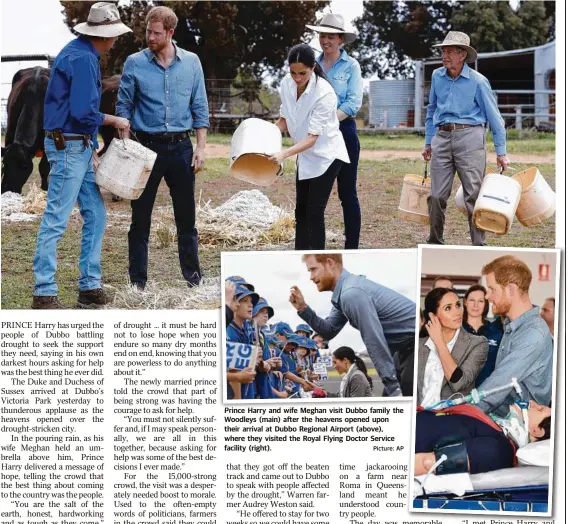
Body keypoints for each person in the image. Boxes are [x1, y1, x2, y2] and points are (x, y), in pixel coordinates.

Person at [32, 2, 132, 309]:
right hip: (68, 147)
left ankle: (90, 286)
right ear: (105, 35)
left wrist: (92, 149)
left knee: (96, 213)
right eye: (114, 35)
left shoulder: (78, 52)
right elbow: (83, 112)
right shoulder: (84, 59)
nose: (115, 41)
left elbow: (78, 112)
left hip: (78, 145)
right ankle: (44, 290)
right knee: (56, 218)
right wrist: (115, 121)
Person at [116, 6, 209, 290]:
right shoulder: (134, 63)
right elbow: (123, 106)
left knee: (186, 217)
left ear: (170, 33)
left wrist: (201, 147)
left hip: (181, 148)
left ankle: (193, 278)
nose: (150, 37)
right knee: (140, 218)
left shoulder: (192, 62)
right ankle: (138, 282)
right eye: (148, 31)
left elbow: (200, 107)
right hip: (146, 149)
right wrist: (127, 141)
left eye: (156, 33)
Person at [422, 31, 511, 246]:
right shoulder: (436, 76)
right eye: (443, 51)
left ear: (462, 55)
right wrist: (428, 141)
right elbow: (431, 108)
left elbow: (495, 118)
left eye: (450, 51)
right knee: (436, 196)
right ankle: (435, 242)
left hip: (470, 137)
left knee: (473, 195)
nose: (445, 55)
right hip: (442, 137)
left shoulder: (479, 82)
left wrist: (501, 152)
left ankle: (479, 246)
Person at [289, 253, 416, 397]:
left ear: (330, 263)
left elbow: (374, 340)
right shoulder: (345, 291)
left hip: (419, 343)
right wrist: (303, 308)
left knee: (403, 401)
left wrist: (394, 388)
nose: (311, 277)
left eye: (313, 269)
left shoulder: (351, 293)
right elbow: (328, 331)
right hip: (403, 350)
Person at [269, 43, 349, 250]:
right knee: (300, 211)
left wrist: (283, 154)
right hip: (304, 155)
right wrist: (263, 136)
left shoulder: (325, 94)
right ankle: (300, 258)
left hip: (327, 156)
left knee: (314, 211)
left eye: (302, 73)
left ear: (313, 67)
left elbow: (313, 138)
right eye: (293, 72)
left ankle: (317, 263)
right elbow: (284, 121)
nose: (297, 78)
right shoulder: (286, 84)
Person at [307, 14, 363, 249]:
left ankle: (352, 247)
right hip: (317, 136)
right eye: (322, 35)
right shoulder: (312, 65)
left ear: (341, 39)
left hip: (344, 132)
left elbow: (353, 103)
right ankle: (314, 245)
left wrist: (328, 121)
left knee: (347, 193)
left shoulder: (351, 66)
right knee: (315, 195)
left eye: (330, 36)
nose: (325, 41)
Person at [477, 256, 553, 416]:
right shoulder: (513, 326)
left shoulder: (533, 334)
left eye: (492, 289)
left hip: (517, 429)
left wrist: (464, 412)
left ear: (510, 289)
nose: (487, 296)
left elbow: (496, 387)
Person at [415, 400, 551, 476]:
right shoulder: (498, 436)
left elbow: (428, 463)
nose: (532, 402)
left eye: (539, 409)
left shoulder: (500, 451)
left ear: (537, 431)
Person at [417, 288, 488, 407]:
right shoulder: (420, 345)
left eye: (458, 305)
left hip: (453, 419)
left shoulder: (477, 343)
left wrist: (439, 342)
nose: (458, 312)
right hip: (420, 417)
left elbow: (459, 383)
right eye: (448, 308)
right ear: (433, 316)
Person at [462, 284, 504, 387]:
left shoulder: (496, 332)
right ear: (465, 302)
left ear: (486, 304)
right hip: (460, 391)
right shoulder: (456, 330)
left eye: (480, 301)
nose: (476, 305)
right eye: (472, 300)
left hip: (488, 392)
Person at [226, 285, 260, 400]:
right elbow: (233, 370)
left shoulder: (244, 330)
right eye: (245, 301)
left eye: (251, 301)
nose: (251, 305)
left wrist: (254, 359)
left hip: (248, 391)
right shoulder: (230, 332)